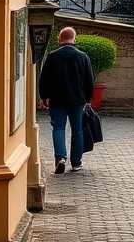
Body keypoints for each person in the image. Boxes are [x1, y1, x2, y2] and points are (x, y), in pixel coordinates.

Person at [39, 26, 95, 174]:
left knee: (58, 128)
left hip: (57, 100)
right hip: (77, 100)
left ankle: (60, 158)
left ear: (60, 39)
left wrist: (43, 97)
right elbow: (89, 80)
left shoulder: (52, 56)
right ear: (74, 39)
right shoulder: (83, 57)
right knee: (77, 130)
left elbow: (43, 79)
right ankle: (76, 163)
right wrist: (88, 98)